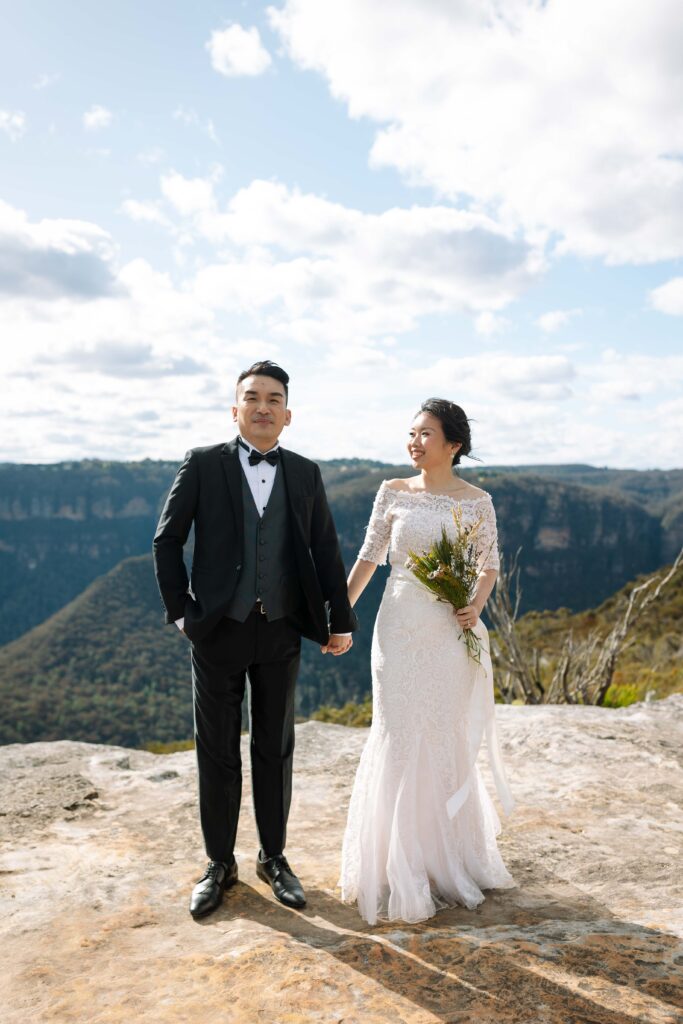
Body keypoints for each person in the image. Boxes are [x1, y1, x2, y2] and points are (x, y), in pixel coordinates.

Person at [153, 360, 357, 919]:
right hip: (216, 631)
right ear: (235, 409)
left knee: (275, 747)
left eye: (273, 399)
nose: (262, 406)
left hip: (281, 631)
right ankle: (219, 863)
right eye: (252, 397)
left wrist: (338, 621)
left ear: (287, 415)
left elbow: (325, 551)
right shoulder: (201, 464)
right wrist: (181, 613)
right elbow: (167, 541)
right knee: (217, 752)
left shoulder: (306, 472)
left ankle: (274, 857)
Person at [339, 398, 515, 925]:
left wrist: (475, 604)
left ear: (453, 445)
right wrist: (338, 617)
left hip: (447, 630)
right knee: (396, 730)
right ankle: (393, 862)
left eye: (426, 434)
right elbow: (370, 557)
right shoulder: (391, 492)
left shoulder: (477, 501)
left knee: (441, 732)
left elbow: (489, 567)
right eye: (411, 433)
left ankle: (445, 859)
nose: (414, 442)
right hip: (396, 626)